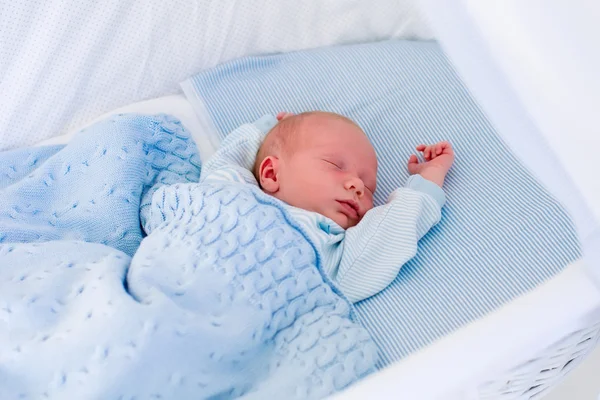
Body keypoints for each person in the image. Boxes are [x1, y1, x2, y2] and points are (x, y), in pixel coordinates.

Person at [200, 111, 455, 302]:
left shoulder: (331, 251)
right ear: (271, 173)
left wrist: (429, 177)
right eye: (335, 166)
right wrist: (267, 132)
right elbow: (226, 160)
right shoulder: (234, 189)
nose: (357, 185)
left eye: (369, 188)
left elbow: (390, 233)